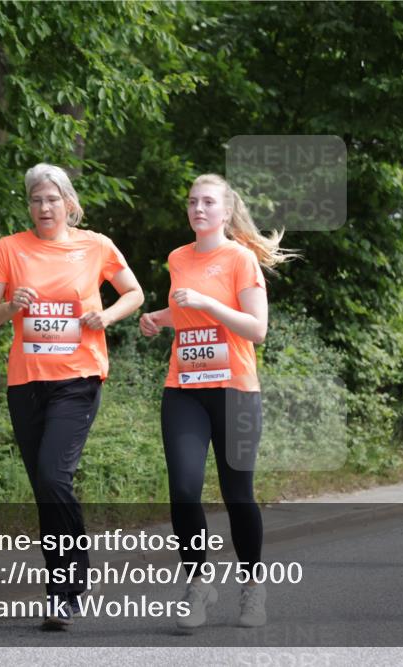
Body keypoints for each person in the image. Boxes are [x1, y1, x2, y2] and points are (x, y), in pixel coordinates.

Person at [0, 163, 144, 629]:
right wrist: (11, 306)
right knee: (46, 489)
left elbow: (134, 292)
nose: (44, 207)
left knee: (53, 475)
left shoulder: (96, 246)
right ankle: (62, 590)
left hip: (78, 378)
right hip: (26, 383)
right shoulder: (10, 249)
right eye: (36, 200)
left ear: (69, 204)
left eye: (52, 199)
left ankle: (68, 588)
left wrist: (106, 317)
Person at [140, 173, 295, 630]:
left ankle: (252, 587)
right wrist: (159, 317)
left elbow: (256, 329)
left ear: (226, 212)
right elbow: (184, 309)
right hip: (184, 388)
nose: (199, 209)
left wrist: (207, 304)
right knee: (184, 491)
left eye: (208, 202)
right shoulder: (177, 257)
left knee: (237, 494)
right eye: (192, 202)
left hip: (235, 391)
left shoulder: (240, 260)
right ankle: (198, 583)